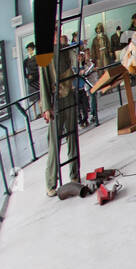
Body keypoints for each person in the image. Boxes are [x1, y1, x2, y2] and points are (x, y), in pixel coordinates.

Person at [41, 35, 81, 196]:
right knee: (54, 143)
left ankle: (74, 174)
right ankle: (51, 183)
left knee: (72, 136)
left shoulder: (65, 49)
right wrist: (46, 107)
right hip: (55, 100)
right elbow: (43, 80)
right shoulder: (45, 54)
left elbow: (75, 61)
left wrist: (77, 54)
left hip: (68, 96)